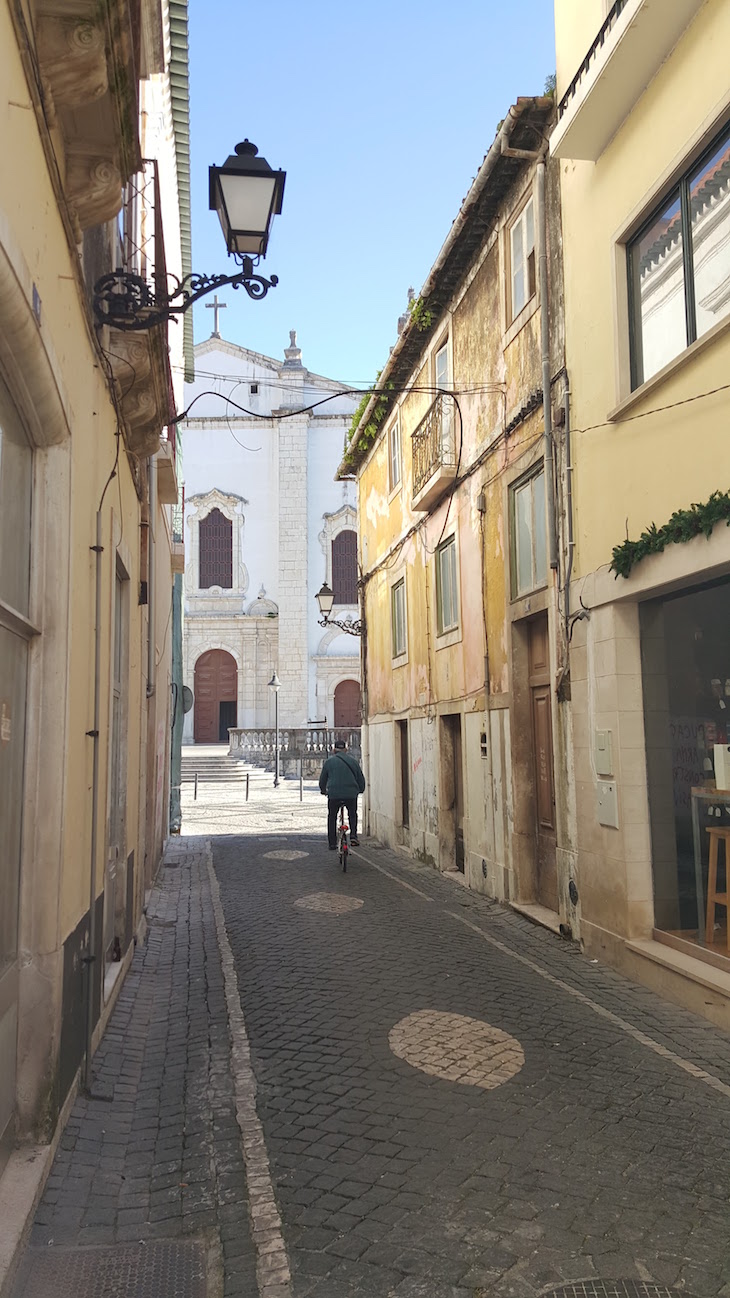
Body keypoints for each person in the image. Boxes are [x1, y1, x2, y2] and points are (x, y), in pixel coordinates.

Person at [319, 740, 366, 849]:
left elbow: (322, 780)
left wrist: (323, 790)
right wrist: (360, 790)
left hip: (334, 794)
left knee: (332, 817)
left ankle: (332, 843)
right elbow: (360, 779)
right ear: (346, 749)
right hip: (351, 794)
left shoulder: (328, 762)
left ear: (334, 750)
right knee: (352, 814)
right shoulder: (353, 761)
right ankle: (353, 835)